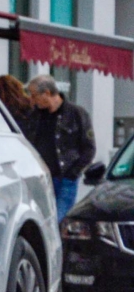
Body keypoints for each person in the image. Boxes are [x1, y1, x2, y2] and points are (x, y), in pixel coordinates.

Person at [23, 73, 96, 214]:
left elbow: (89, 148)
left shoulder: (76, 114)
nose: (32, 101)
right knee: (42, 220)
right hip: (41, 179)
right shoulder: (34, 116)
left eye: (34, 95)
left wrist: (73, 173)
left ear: (47, 93)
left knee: (58, 219)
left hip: (65, 180)